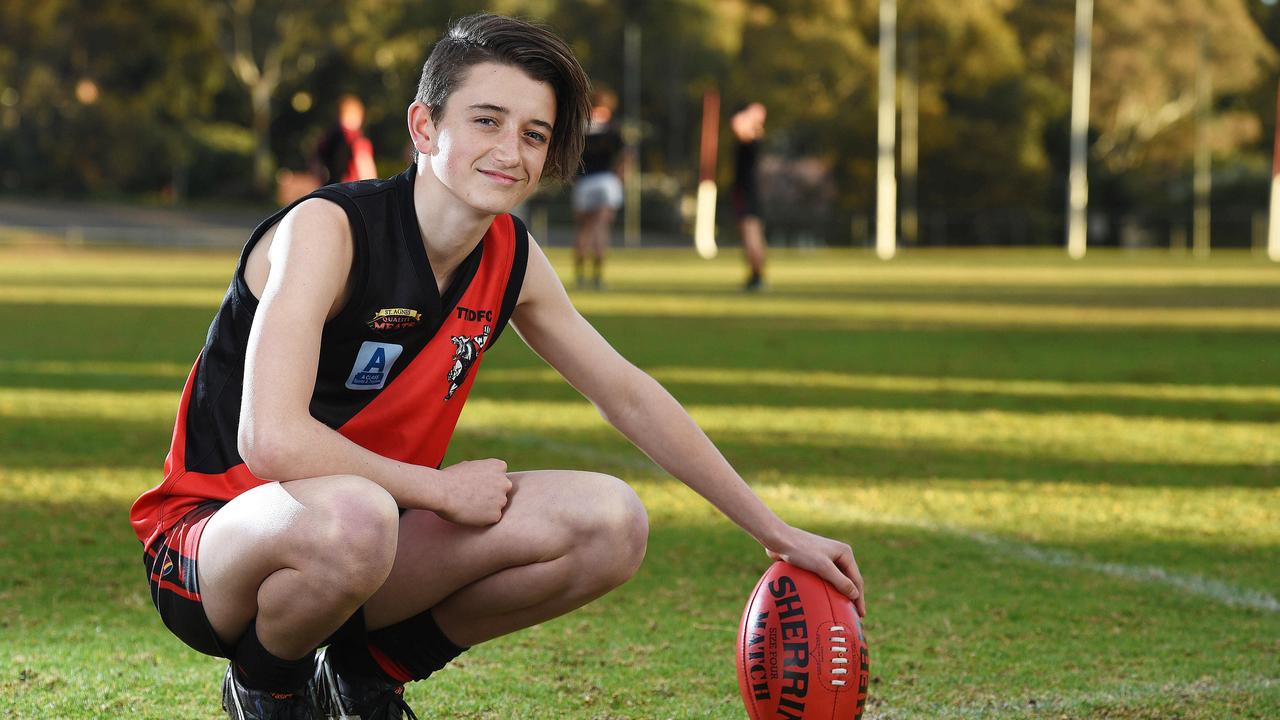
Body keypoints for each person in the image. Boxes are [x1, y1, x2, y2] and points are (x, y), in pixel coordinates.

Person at [130, 14, 864, 720]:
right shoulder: (328, 230)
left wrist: (775, 531)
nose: (511, 150)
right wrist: (439, 490)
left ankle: (365, 676)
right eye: (487, 120)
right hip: (212, 542)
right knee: (357, 516)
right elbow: (272, 440)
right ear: (426, 127)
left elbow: (627, 394)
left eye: (533, 133)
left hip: (368, 535)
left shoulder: (511, 255)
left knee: (611, 523)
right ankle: (267, 688)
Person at [570, 87, 624, 289]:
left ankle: (580, 277)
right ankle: (598, 278)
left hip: (584, 183)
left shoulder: (579, 130)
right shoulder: (612, 129)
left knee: (584, 230)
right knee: (600, 229)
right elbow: (626, 157)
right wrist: (619, 178)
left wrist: (574, 178)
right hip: (606, 182)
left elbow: (570, 159)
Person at [731, 102, 769, 291]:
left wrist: (750, 115)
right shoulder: (755, 138)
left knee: (751, 236)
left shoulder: (752, 138)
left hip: (747, 192)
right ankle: (756, 276)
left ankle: (757, 277)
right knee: (753, 235)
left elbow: (737, 124)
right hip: (751, 191)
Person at [314, 94, 379, 184]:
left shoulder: (329, 137)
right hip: (353, 191)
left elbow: (317, 165)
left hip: (330, 190)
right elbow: (365, 170)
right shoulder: (357, 140)